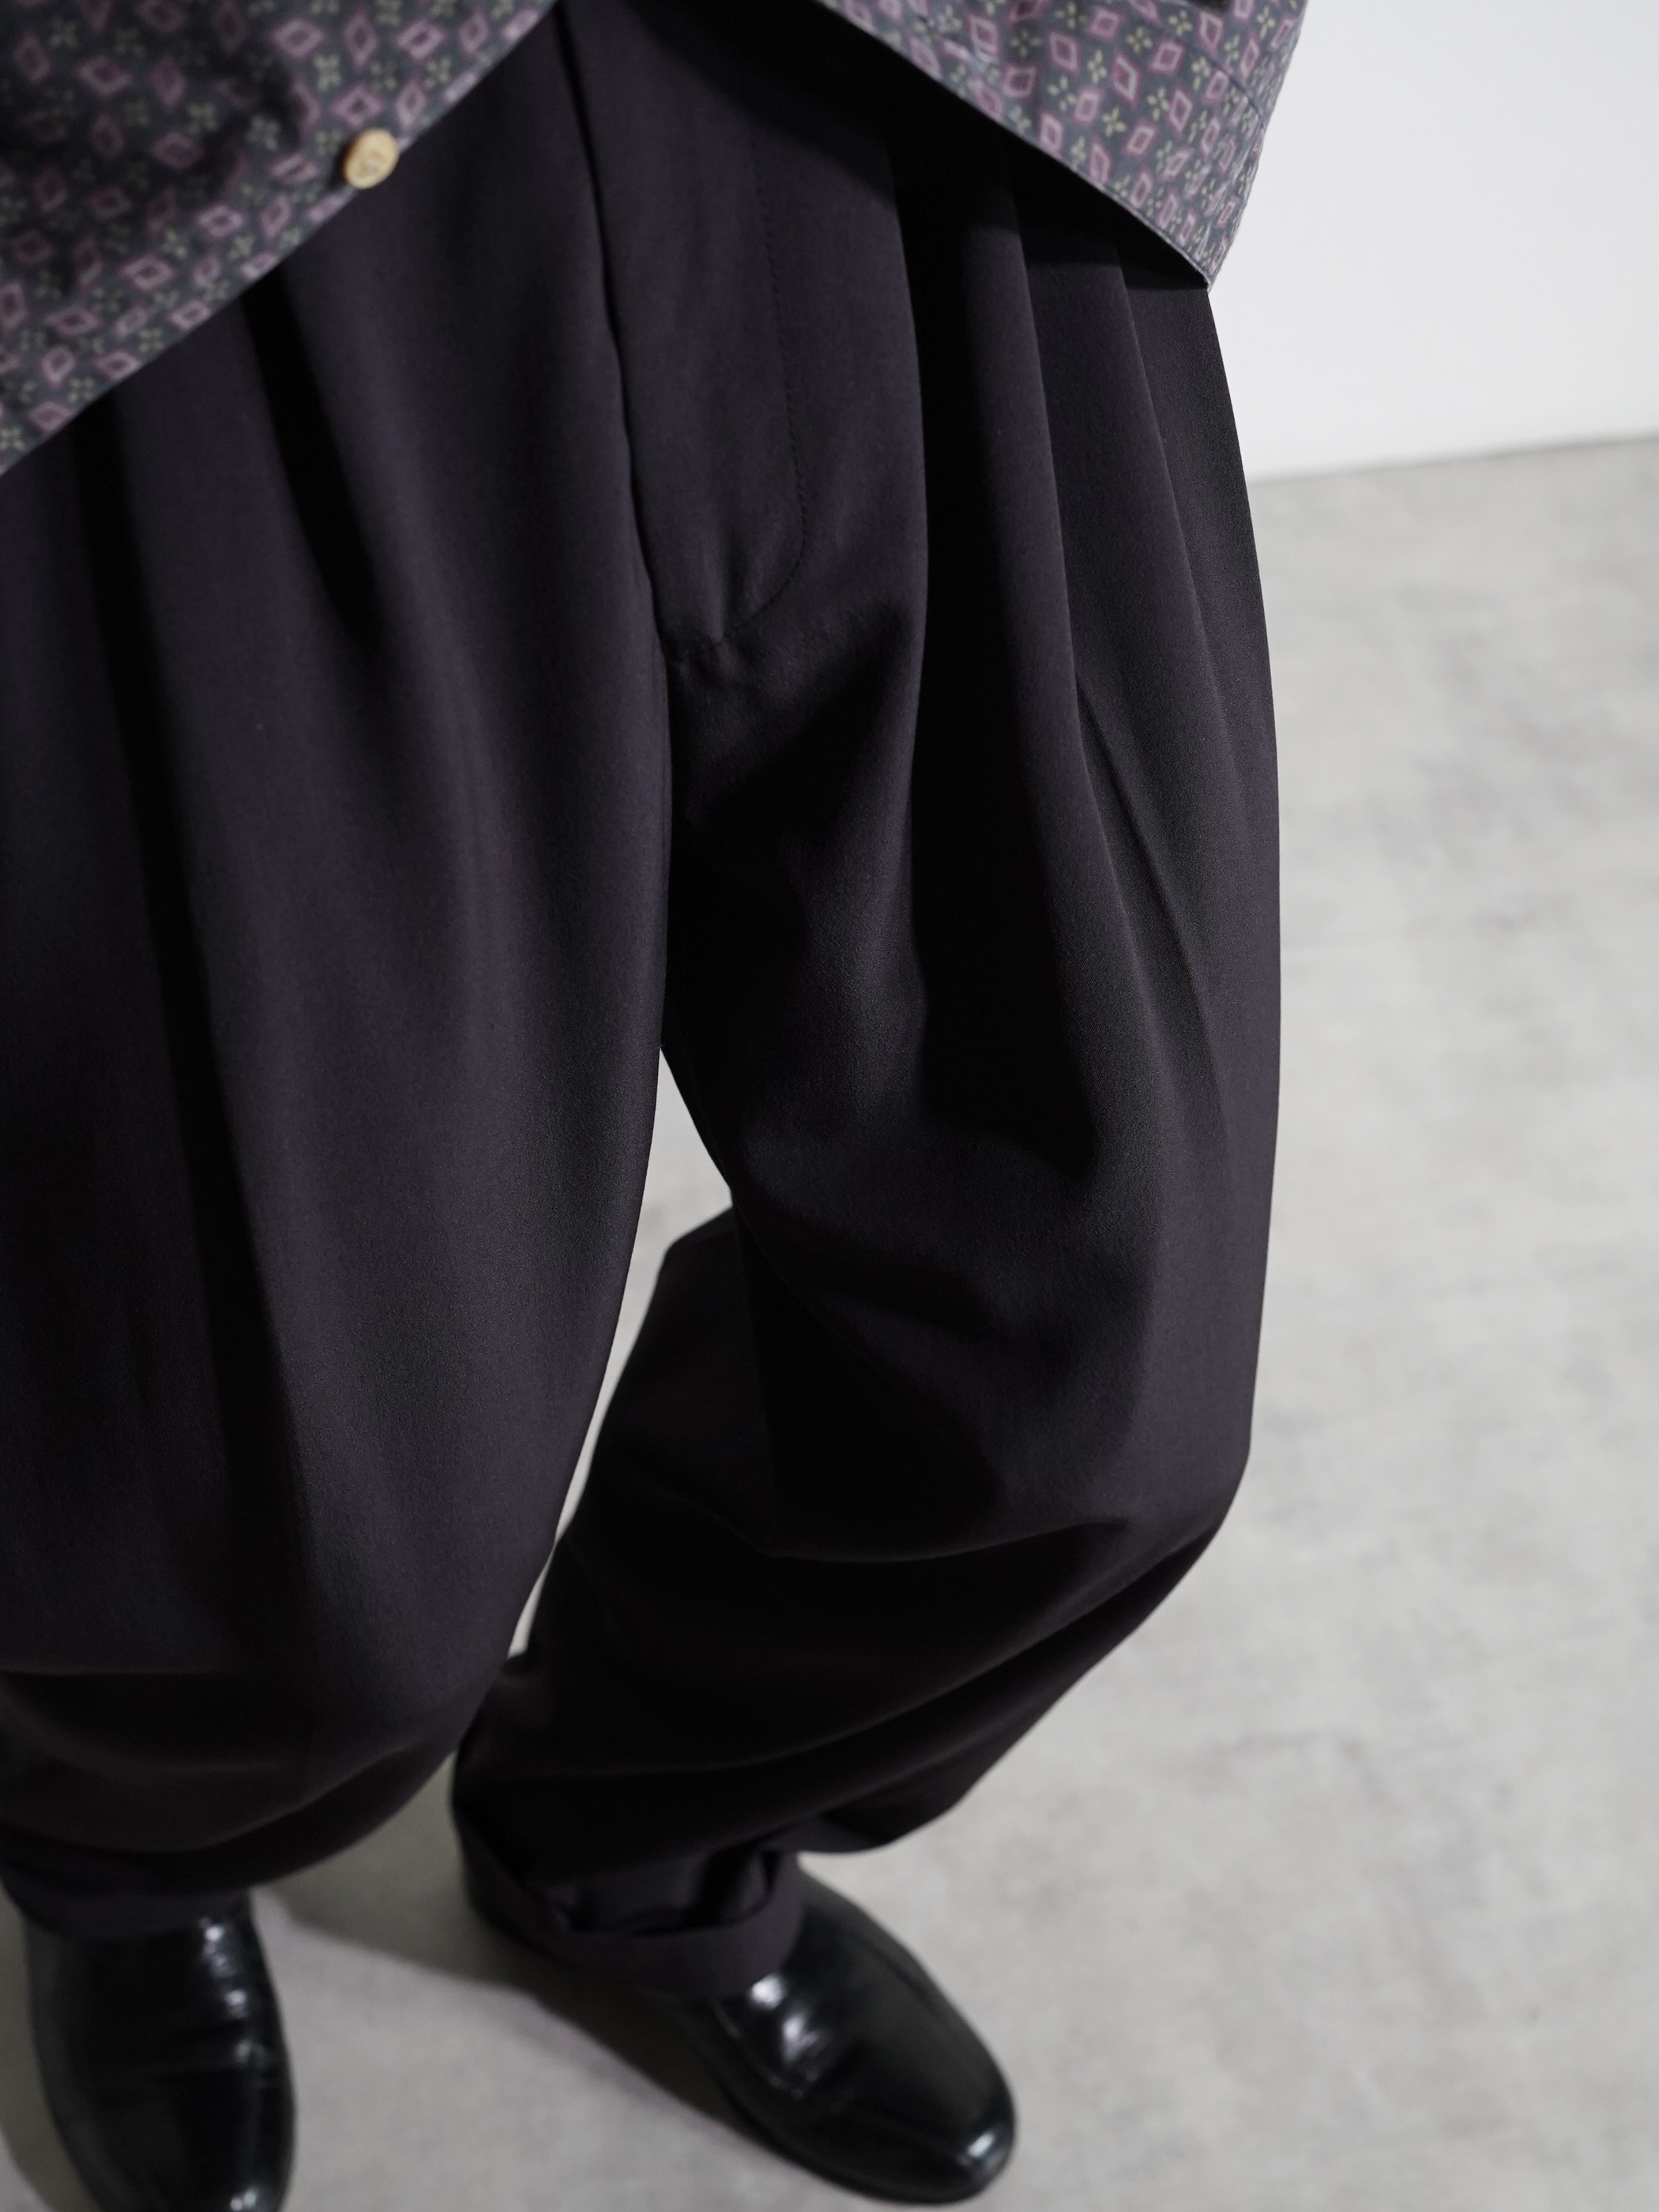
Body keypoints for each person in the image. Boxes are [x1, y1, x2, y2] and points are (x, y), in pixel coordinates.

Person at [0, 0, 1298, 2203]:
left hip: (930, 83)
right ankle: (132, 1852)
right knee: (298, 1497)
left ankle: (647, 1832)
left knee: (1087, 1364)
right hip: (216, 169)